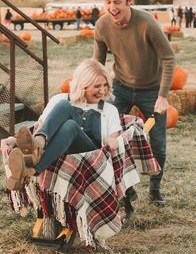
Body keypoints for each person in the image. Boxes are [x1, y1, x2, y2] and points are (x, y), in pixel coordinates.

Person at [93, 0, 176, 206]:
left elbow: (169, 59)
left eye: (117, 2)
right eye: (108, 1)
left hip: (151, 90)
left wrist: (163, 96)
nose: (112, 7)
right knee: (111, 139)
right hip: (120, 88)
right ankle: (126, 191)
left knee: (157, 142)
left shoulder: (146, 23)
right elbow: (98, 64)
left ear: (129, 1)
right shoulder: (102, 26)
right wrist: (92, 89)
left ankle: (155, 189)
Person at [6, 59, 122, 191]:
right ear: (83, 85)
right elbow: (42, 127)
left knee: (70, 126)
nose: (102, 91)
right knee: (64, 105)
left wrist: (111, 140)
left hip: (91, 157)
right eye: (97, 86)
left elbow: (115, 140)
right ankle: (35, 153)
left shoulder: (109, 110)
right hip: (56, 151)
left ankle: (34, 169)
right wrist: (14, 140)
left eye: (105, 85)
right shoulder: (59, 100)